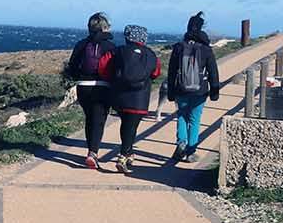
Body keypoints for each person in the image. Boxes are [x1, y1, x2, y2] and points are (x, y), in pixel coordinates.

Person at [96, 23, 161, 174]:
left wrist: (112, 79)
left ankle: (129, 152)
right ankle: (123, 156)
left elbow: (103, 67)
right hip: (140, 98)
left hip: (120, 96)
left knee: (126, 125)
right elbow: (156, 73)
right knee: (131, 126)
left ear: (127, 37)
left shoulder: (117, 51)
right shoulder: (151, 54)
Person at [165, 12, 224, 164]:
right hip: (200, 90)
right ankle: (191, 151)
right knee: (195, 119)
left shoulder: (178, 47)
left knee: (182, 116)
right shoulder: (206, 50)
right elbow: (213, 72)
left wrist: (170, 92)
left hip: (181, 89)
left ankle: (181, 143)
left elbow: (171, 72)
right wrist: (214, 91)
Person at [62, 12, 116, 169]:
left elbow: (72, 66)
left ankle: (91, 150)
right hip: (103, 86)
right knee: (99, 121)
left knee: (90, 119)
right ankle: (93, 153)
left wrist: (77, 77)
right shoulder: (111, 47)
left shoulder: (81, 44)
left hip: (83, 86)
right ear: (105, 27)